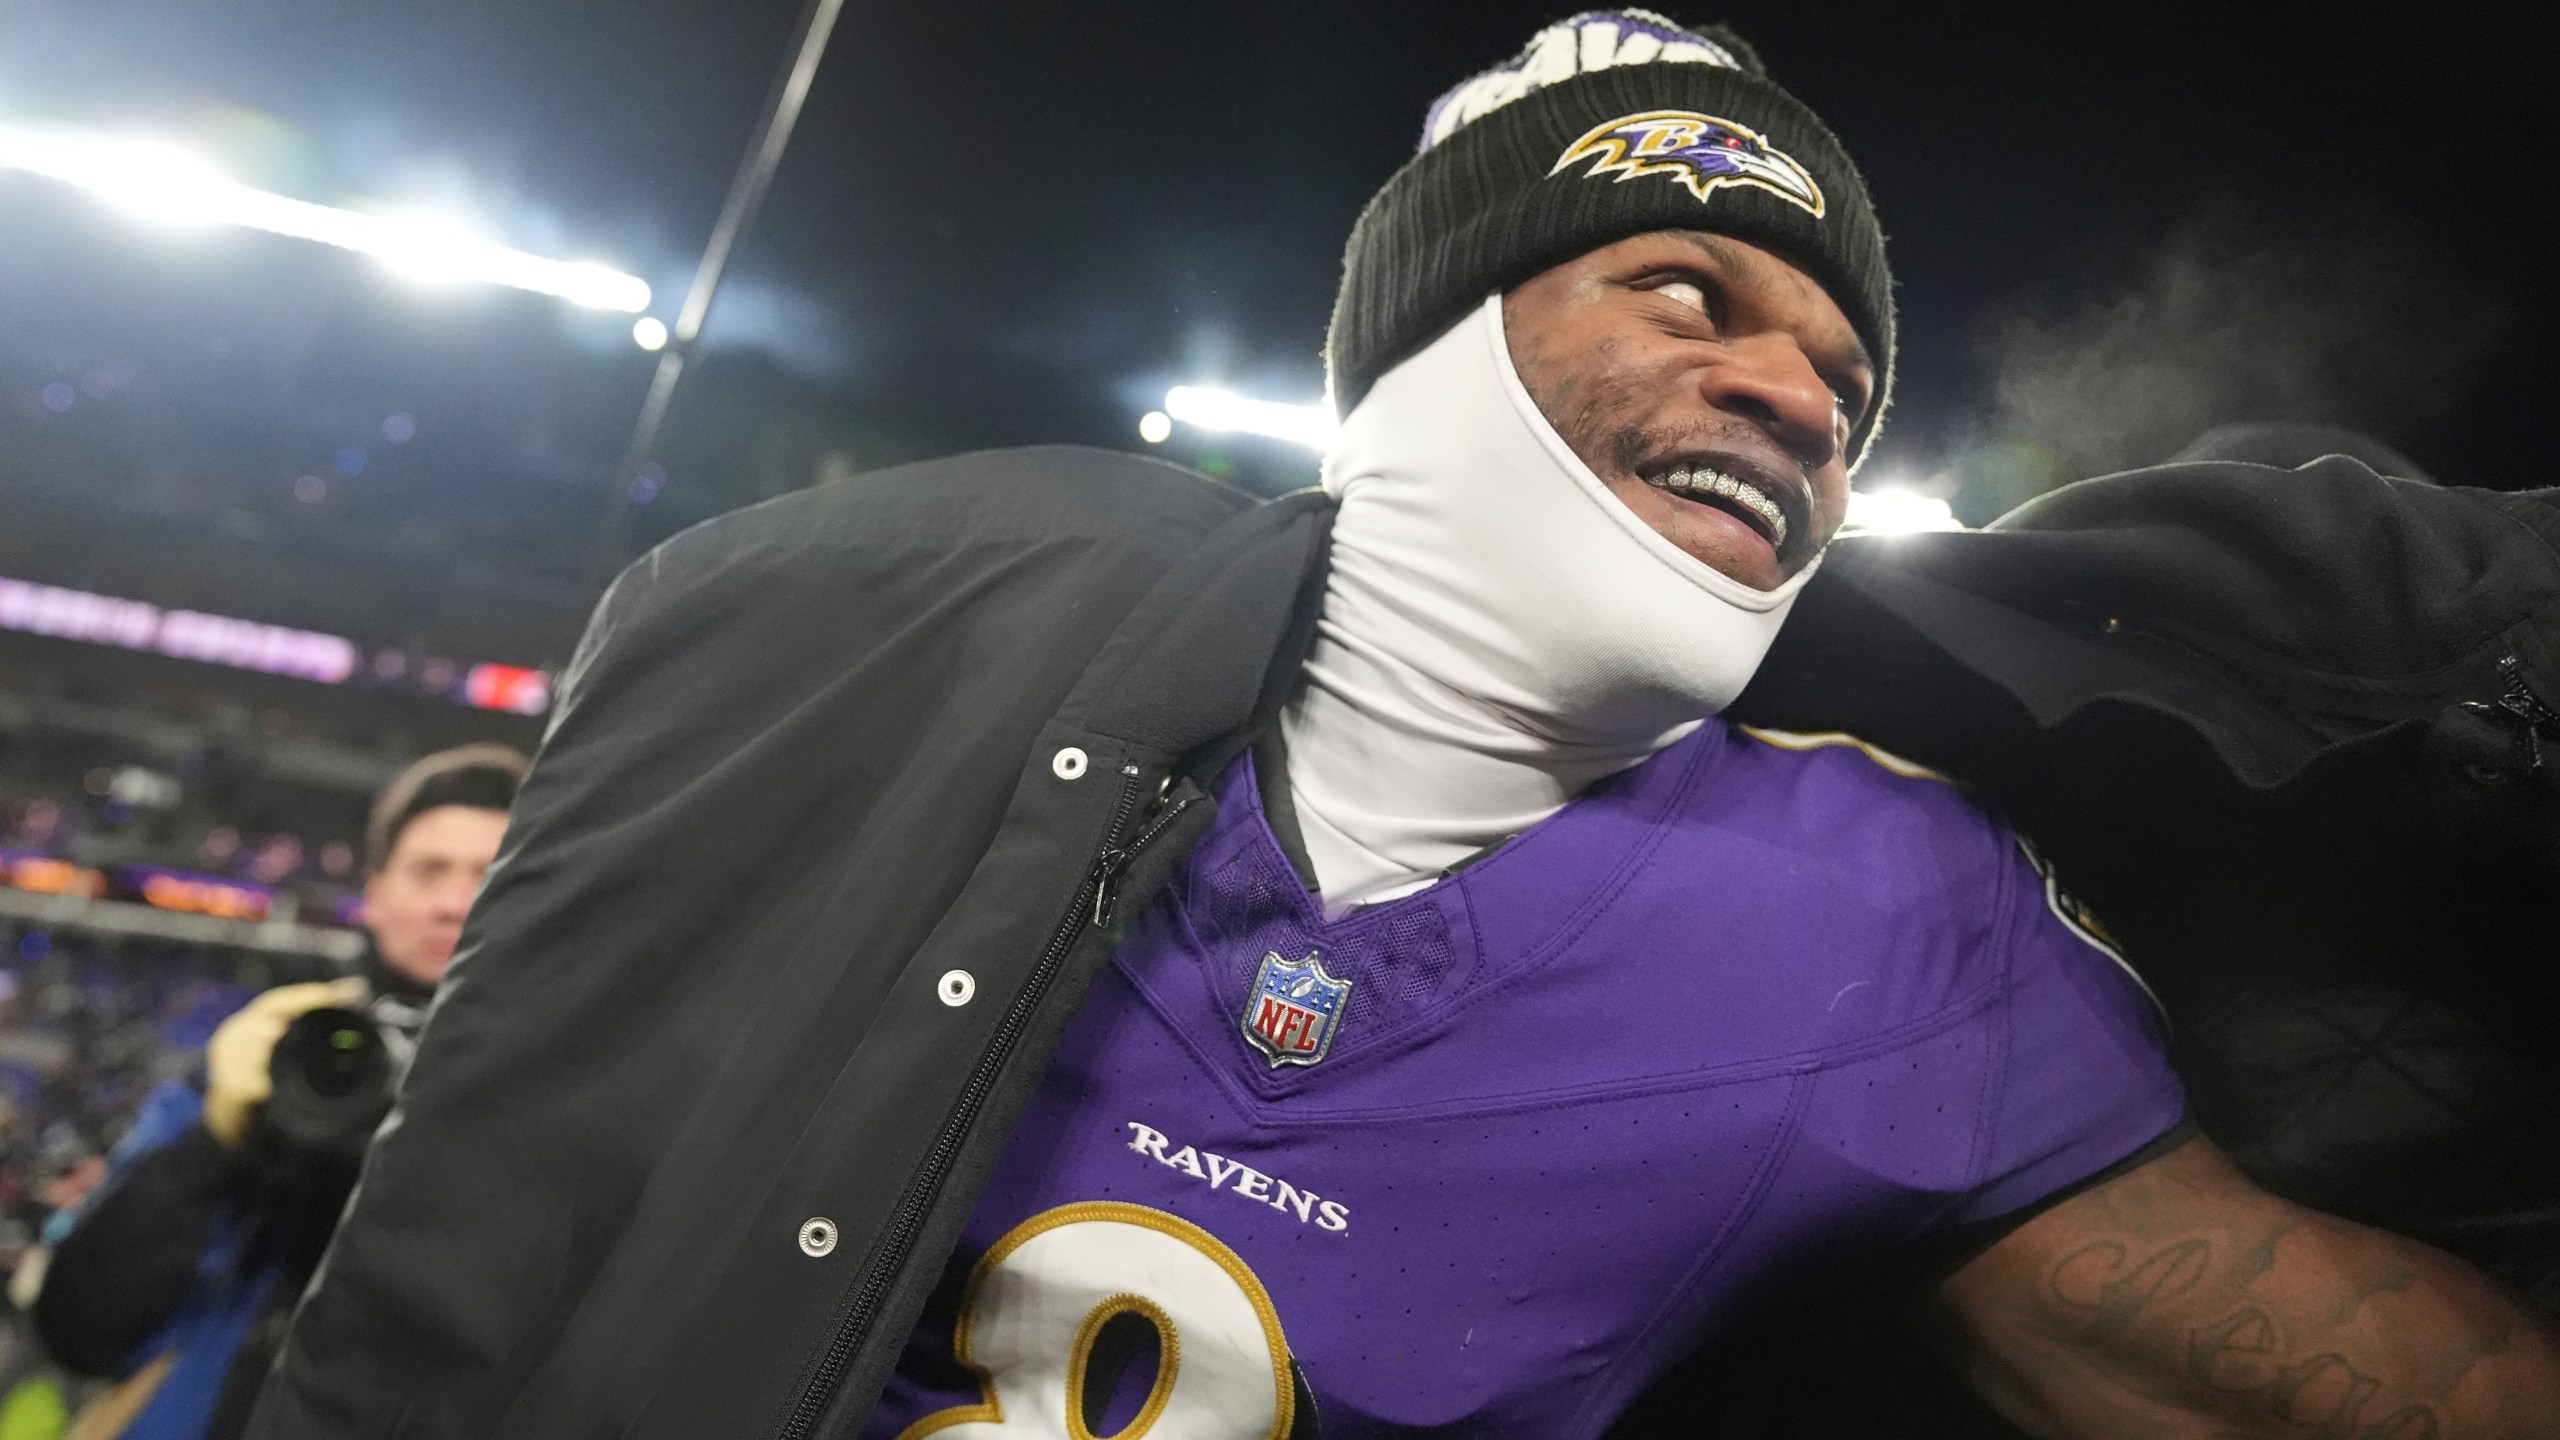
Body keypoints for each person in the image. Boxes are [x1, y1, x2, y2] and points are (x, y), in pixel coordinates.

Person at [248, 13, 2560, 1439]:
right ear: (1435, 341)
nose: (1793, 388)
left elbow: (2262, 1361)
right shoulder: (886, 610)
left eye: (1847, 385)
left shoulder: (1871, 909)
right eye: (1688, 286)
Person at [33, 744, 526, 1440]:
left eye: (490, 873)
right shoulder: (275, 1054)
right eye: (429, 870)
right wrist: (219, 1139)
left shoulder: (559, 1092)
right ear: (378, 893)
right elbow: (78, 1327)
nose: (454, 902)